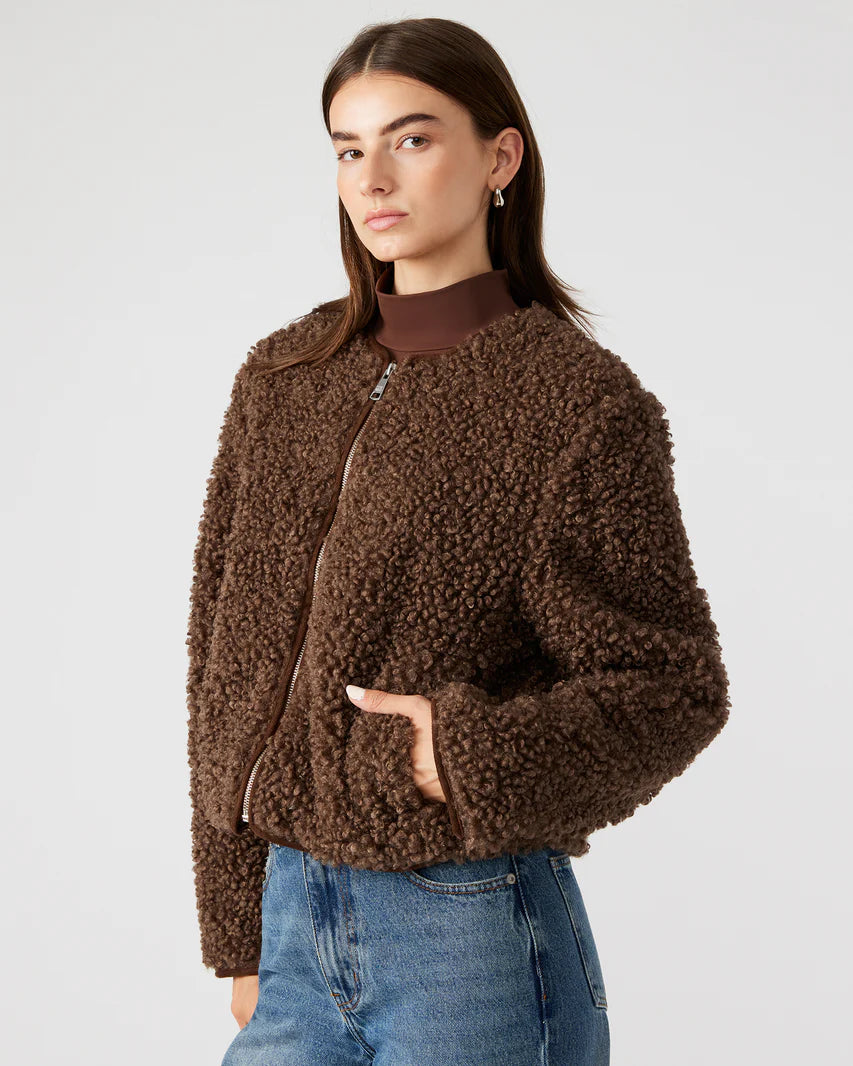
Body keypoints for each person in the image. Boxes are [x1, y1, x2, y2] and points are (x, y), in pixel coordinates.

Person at [185, 17, 730, 1066]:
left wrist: (460, 755)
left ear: (499, 157)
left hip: (468, 928)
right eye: (349, 148)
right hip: (291, 919)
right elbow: (224, 666)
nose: (372, 177)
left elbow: (671, 686)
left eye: (412, 138)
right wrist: (237, 927)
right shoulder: (283, 379)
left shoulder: (574, 403)